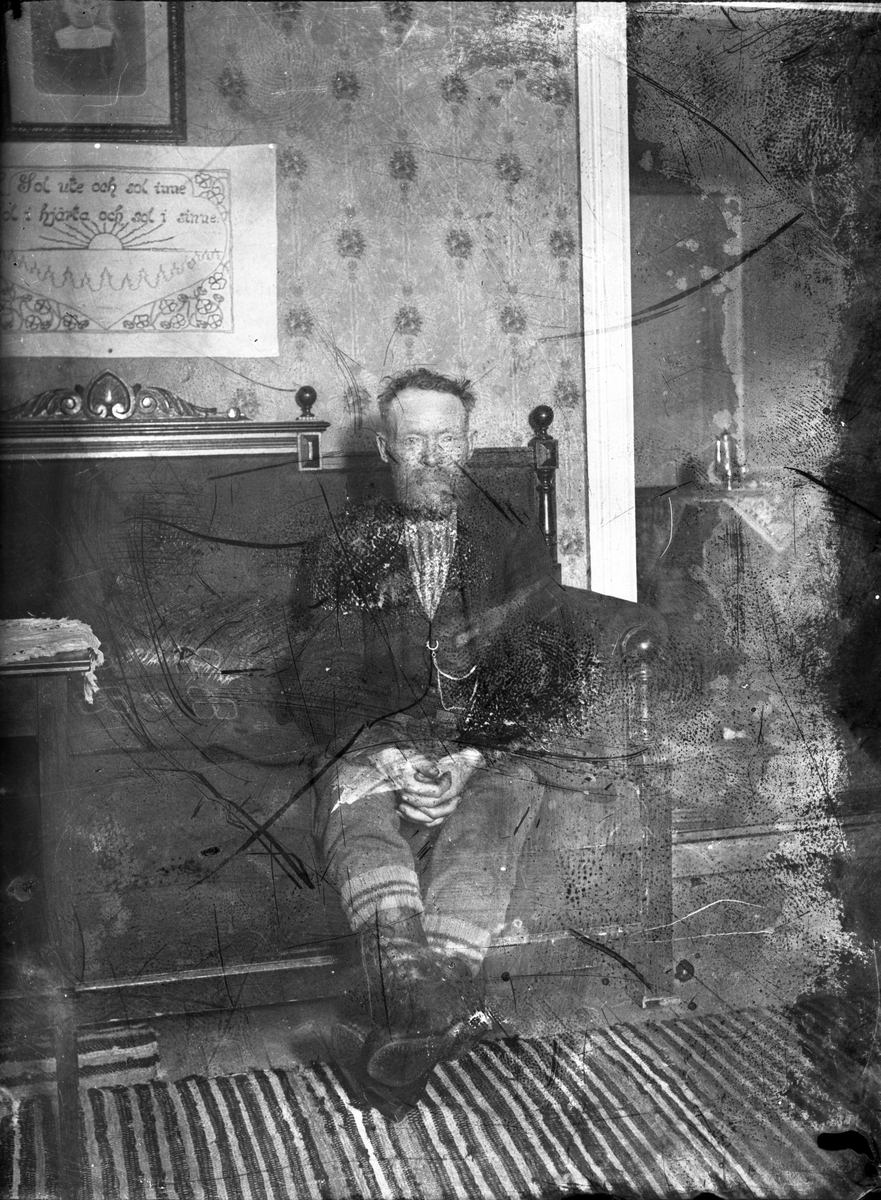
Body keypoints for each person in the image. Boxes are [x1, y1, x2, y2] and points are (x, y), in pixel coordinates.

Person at [287, 368, 595, 1116]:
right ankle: (428, 1005)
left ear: (469, 446)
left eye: (447, 439)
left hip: (481, 747)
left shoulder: (516, 545)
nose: (432, 456)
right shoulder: (340, 546)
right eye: (414, 441)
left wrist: (467, 758)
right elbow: (321, 677)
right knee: (358, 812)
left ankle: (404, 1033)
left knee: (490, 815)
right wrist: (389, 757)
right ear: (386, 450)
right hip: (377, 744)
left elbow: (540, 670)